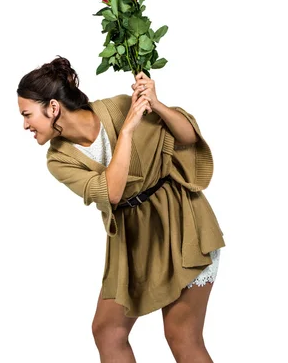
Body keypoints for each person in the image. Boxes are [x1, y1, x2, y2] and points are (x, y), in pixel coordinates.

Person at [16, 56, 225, 363]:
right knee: (108, 331)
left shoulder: (118, 106)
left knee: (182, 335)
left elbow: (187, 138)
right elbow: (112, 192)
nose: (24, 125)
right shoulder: (58, 159)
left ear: (53, 107)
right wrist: (127, 133)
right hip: (134, 242)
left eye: (27, 114)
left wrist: (156, 103)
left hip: (182, 226)